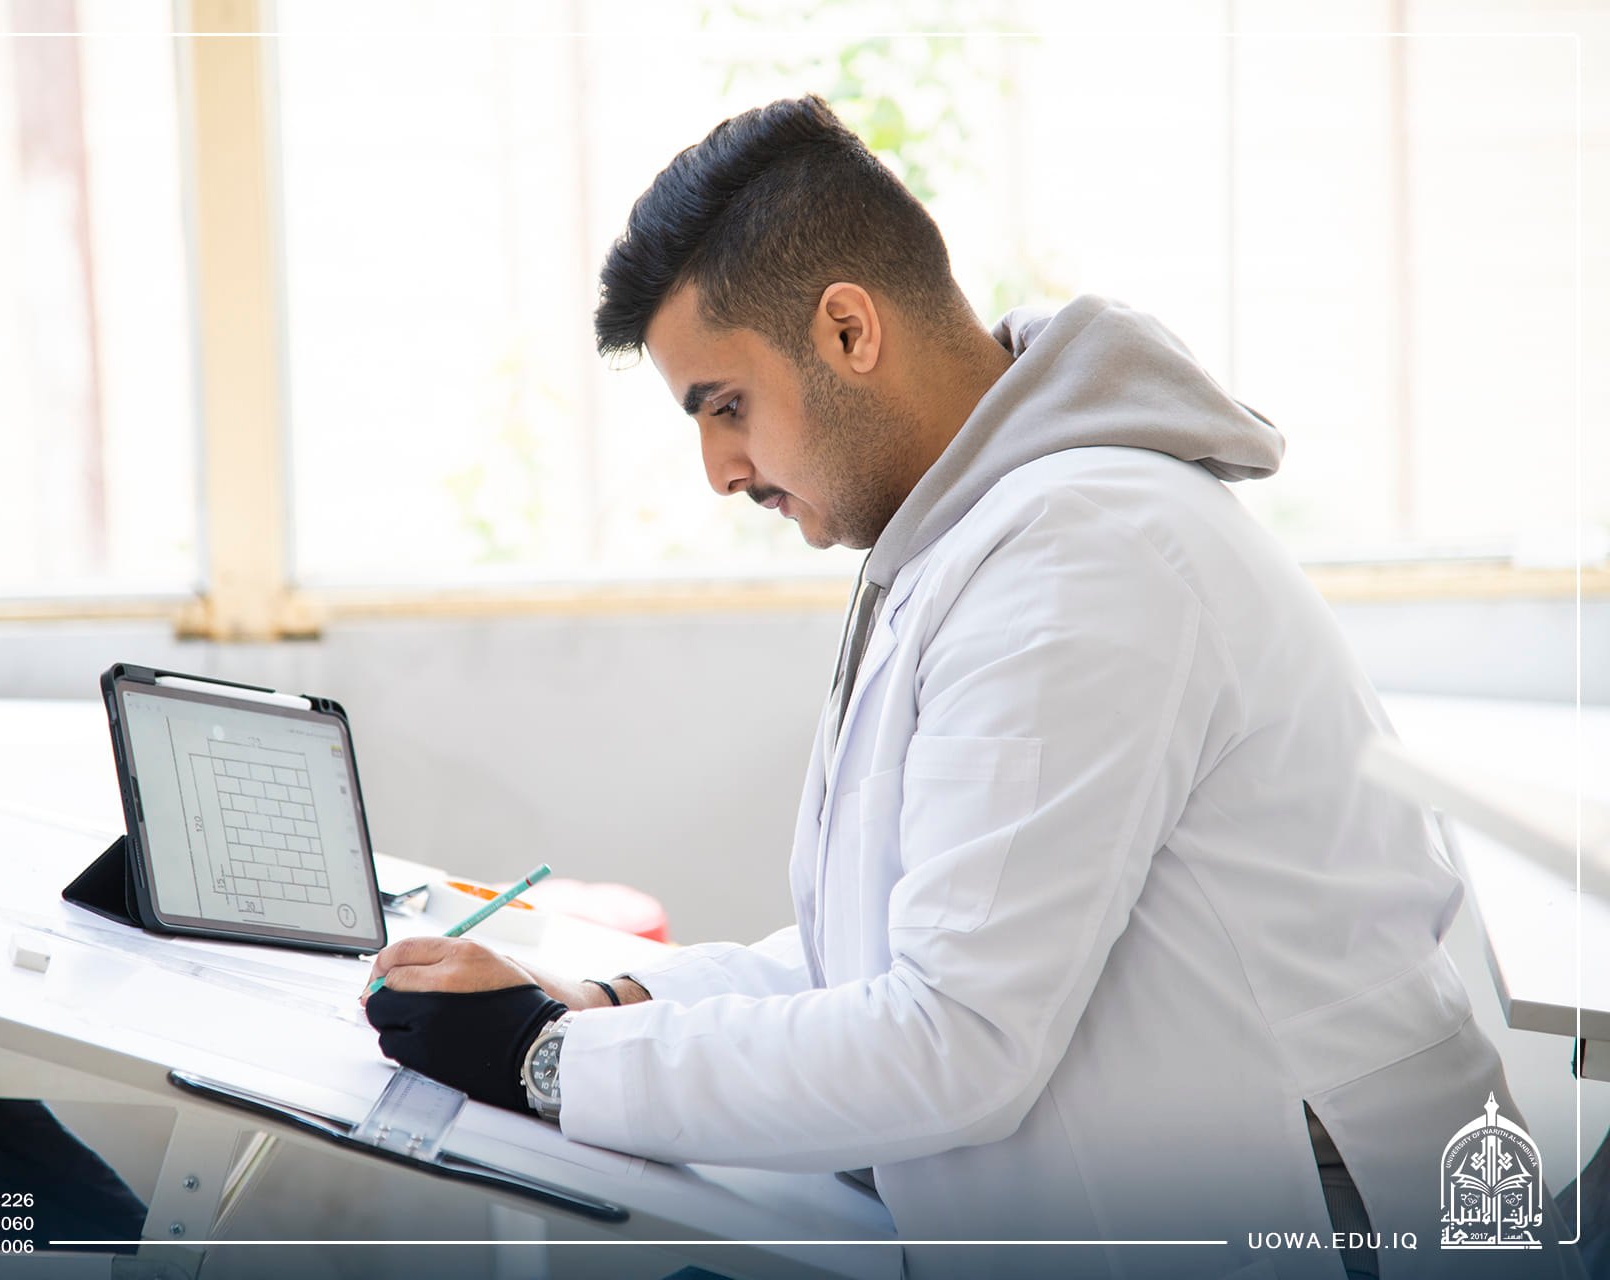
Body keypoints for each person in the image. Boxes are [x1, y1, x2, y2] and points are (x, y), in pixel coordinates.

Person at [363, 95, 1580, 1279]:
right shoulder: (972, 535)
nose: (719, 469)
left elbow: (955, 1034)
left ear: (849, 330)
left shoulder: (1084, 553)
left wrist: (548, 1061)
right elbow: (876, 956)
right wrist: (597, 1001)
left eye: (726, 405)